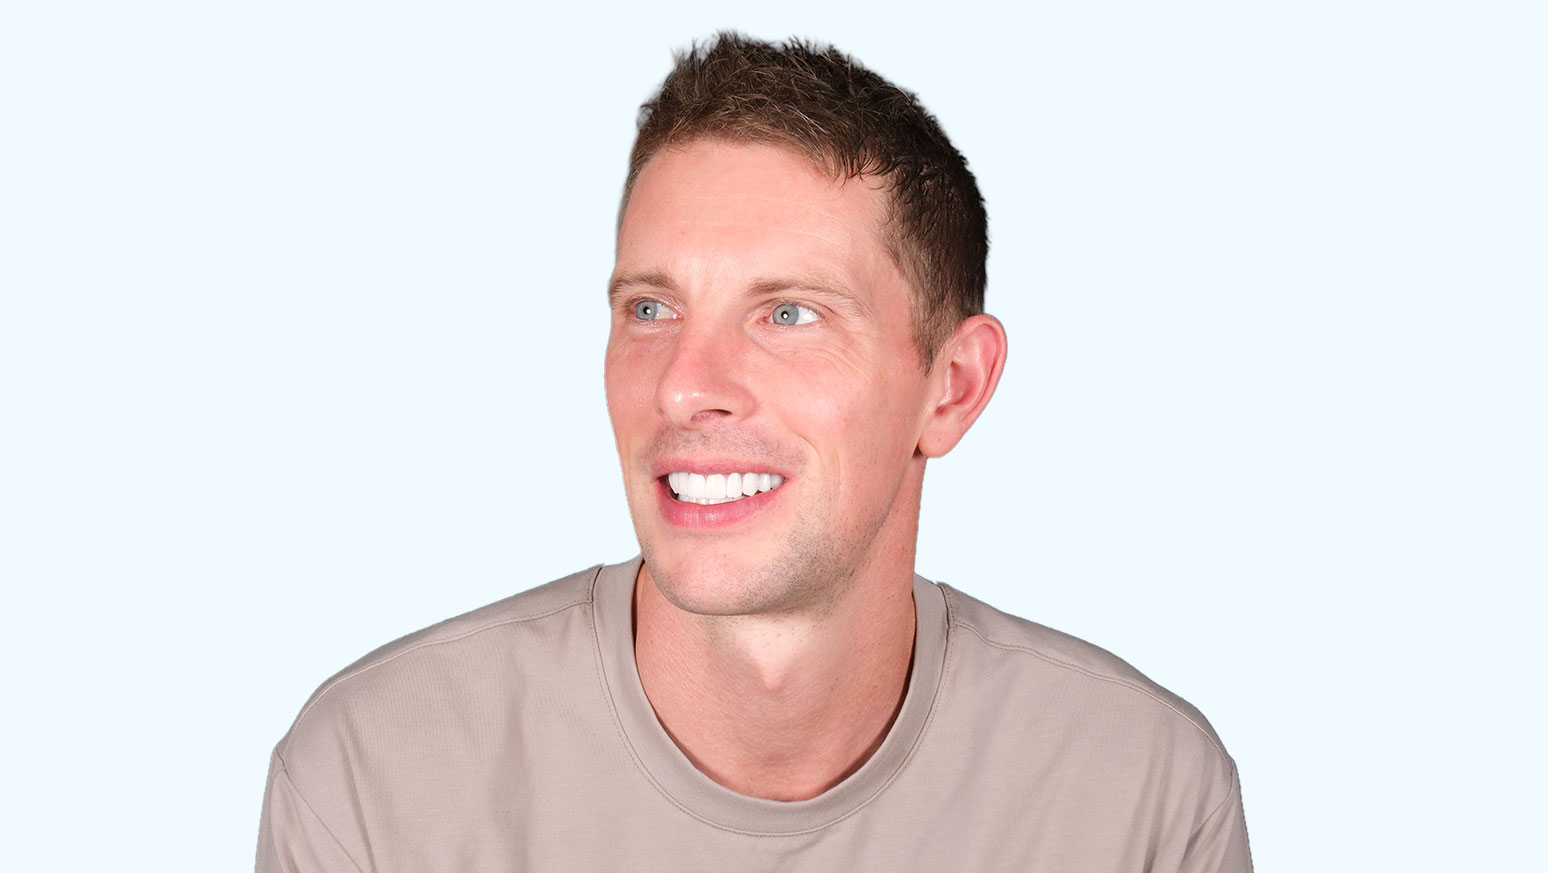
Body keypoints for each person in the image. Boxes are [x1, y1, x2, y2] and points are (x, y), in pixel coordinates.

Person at [256, 33, 1252, 872]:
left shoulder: (1142, 796)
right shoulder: (376, 780)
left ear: (951, 387)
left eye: (788, 314)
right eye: (652, 308)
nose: (683, 384)